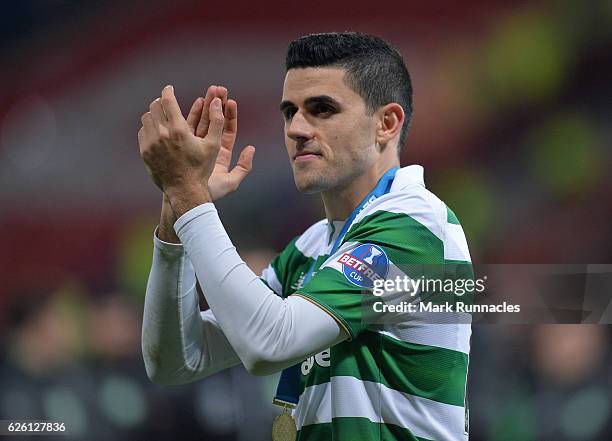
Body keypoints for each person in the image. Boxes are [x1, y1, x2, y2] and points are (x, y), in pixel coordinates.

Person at [139, 32, 472, 441]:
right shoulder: (310, 248)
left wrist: (190, 194)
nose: (296, 128)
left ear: (386, 124)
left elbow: (269, 344)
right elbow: (177, 361)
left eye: (322, 109)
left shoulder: (416, 225)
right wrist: (177, 205)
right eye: (289, 111)